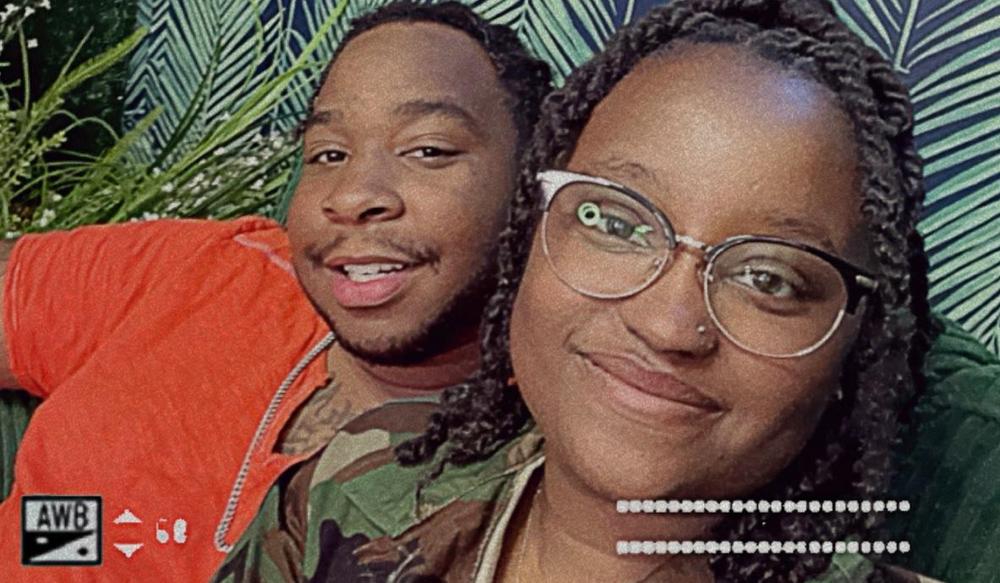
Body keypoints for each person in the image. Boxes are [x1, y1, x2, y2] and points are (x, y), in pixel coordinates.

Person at [212, 0, 945, 581]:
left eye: (769, 278)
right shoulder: (359, 481)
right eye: (615, 223)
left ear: (856, 347)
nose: (669, 323)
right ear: (527, 236)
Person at [0, 2, 550, 581]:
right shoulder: (207, 271)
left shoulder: (539, 478)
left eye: (428, 150)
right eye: (328, 154)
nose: (351, 196)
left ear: (531, 183)